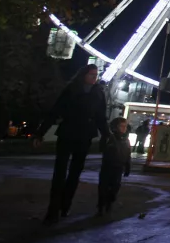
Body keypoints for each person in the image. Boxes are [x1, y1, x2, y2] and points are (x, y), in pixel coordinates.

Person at [33, 64, 112, 224]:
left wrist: (107, 135)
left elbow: (101, 118)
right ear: (83, 75)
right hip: (69, 132)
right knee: (60, 173)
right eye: (91, 74)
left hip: (82, 135)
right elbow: (55, 112)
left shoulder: (97, 93)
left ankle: (64, 205)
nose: (94, 77)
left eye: (96, 75)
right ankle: (54, 209)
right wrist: (40, 133)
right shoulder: (72, 90)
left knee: (74, 173)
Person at [97, 117, 132, 216]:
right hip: (108, 166)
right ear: (115, 127)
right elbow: (102, 148)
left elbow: (128, 154)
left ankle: (109, 202)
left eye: (125, 126)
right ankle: (101, 205)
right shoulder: (110, 138)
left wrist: (127, 166)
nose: (124, 128)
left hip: (119, 167)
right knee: (104, 186)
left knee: (115, 187)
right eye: (122, 126)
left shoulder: (126, 140)